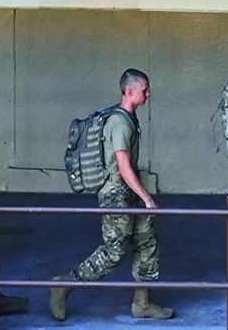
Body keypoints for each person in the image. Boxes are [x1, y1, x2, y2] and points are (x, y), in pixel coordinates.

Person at [49, 69, 173, 323]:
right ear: (130, 91)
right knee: (114, 252)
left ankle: (142, 303)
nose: (148, 94)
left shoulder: (128, 119)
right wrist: (147, 198)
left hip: (130, 192)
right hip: (116, 194)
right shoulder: (119, 122)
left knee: (147, 243)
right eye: (144, 89)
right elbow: (123, 164)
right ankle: (65, 284)